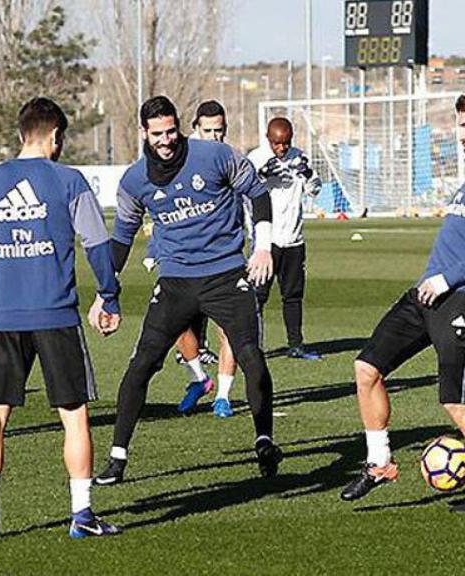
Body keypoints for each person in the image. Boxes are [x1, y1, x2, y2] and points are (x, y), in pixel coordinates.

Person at [340, 88, 465, 514]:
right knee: (366, 368)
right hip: (428, 295)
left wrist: (450, 278)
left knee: (456, 403)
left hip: (463, 298)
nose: (459, 133)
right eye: (458, 124)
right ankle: (379, 463)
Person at [0, 97, 122, 539]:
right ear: (55, 136)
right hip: (56, 316)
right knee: (74, 416)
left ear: (21, 133)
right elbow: (97, 245)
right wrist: (108, 295)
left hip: (5, 319)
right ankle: (81, 515)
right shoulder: (68, 181)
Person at [95, 96, 281, 486]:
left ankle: (264, 440)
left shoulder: (214, 156)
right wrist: (104, 292)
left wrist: (262, 246)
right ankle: (116, 458)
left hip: (227, 274)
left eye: (170, 131)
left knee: (250, 355)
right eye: (156, 134)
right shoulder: (134, 181)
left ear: (179, 127)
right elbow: (122, 237)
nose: (165, 140)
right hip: (176, 281)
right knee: (141, 364)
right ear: (144, 133)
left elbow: (258, 194)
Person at [173, 100, 241, 418]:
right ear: (195, 130)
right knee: (176, 326)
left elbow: (253, 202)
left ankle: (223, 397)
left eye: (220, 131)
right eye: (208, 130)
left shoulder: (231, 161)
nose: (215, 137)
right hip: (184, 261)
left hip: (224, 261)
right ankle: (199, 379)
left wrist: (260, 246)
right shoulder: (178, 162)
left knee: (228, 330)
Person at [248, 117, 323, 360]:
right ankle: (254, 346)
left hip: (294, 238)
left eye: (286, 143)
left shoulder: (298, 156)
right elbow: (244, 191)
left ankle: (296, 344)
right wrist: (262, 176)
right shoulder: (256, 158)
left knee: (293, 295)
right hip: (266, 241)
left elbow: (314, 189)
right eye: (277, 143)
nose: (281, 148)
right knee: (258, 296)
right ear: (268, 138)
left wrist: (308, 174)